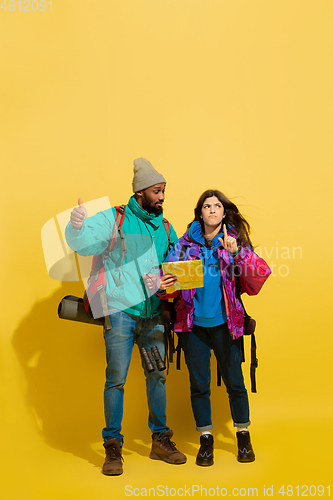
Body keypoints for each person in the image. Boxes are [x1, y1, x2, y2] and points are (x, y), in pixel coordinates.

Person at [65, 158, 186, 475]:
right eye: (157, 191)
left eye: (163, 192)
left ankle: (160, 440)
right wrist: (76, 225)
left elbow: (175, 272)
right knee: (116, 380)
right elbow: (83, 243)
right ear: (141, 191)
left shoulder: (167, 228)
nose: (161, 197)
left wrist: (167, 283)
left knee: (156, 376)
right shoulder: (115, 219)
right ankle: (113, 447)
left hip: (153, 317)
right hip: (120, 314)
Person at [157, 189, 271, 466]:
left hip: (226, 324)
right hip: (192, 326)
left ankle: (243, 434)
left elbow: (260, 274)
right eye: (206, 206)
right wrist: (162, 287)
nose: (211, 210)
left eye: (216, 205)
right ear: (200, 213)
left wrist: (239, 253)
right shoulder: (183, 245)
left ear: (223, 212)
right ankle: (205, 439)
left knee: (236, 383)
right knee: (199, 385)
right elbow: (168, 285)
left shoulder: (234, 243)